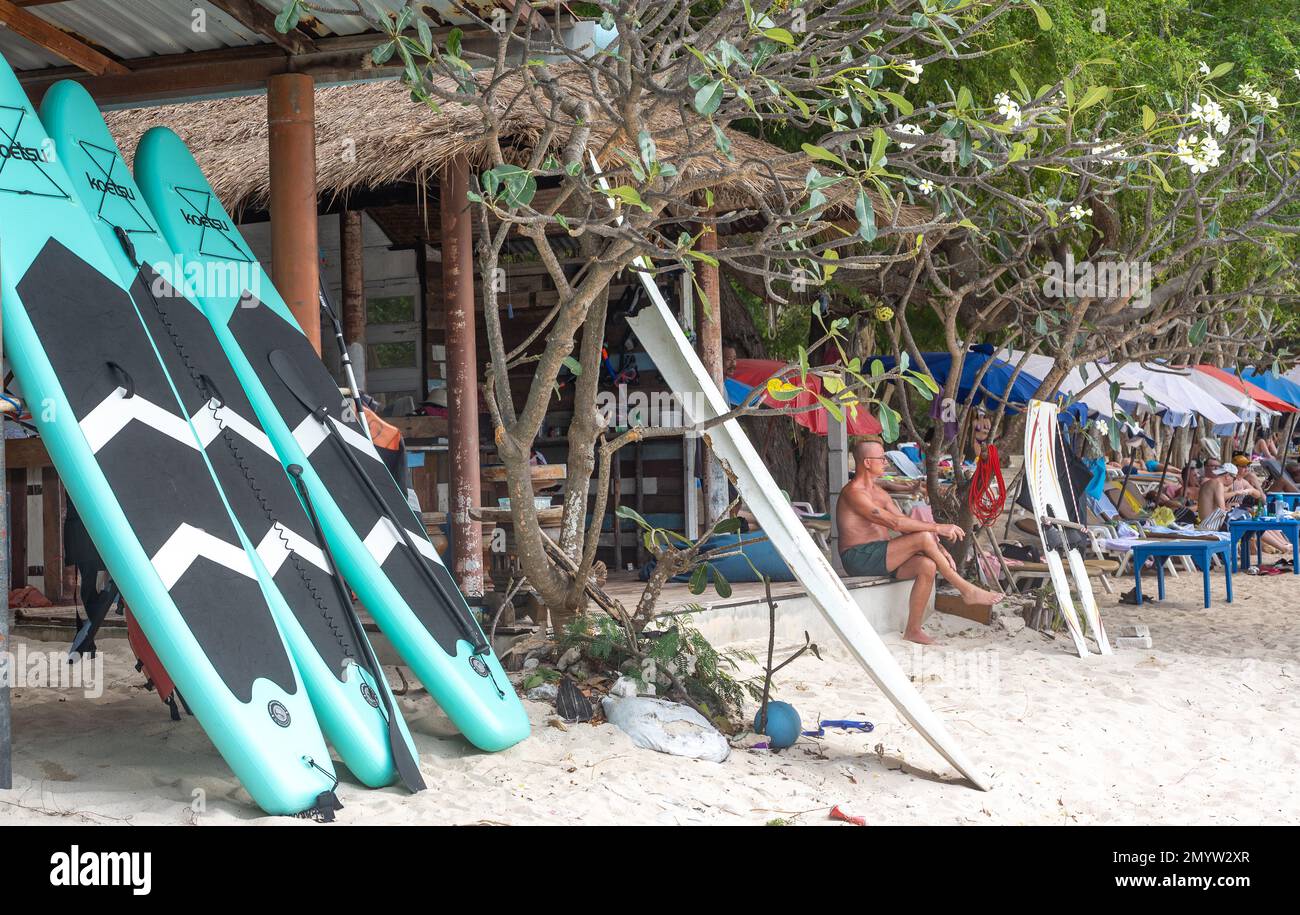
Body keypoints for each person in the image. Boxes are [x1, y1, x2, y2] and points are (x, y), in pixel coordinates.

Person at [837, 440, 1003, 644]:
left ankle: (913, 630)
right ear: (867, 462)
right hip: (858, 558)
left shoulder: (880, 493)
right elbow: (895, 523)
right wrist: (937, 528)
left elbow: (906, 525)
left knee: (927, 565)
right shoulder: (853, 493)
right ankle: (966, 589)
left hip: (882, 557)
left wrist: (938, 546)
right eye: (882, 458)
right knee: (924, 537)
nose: (886, 463)